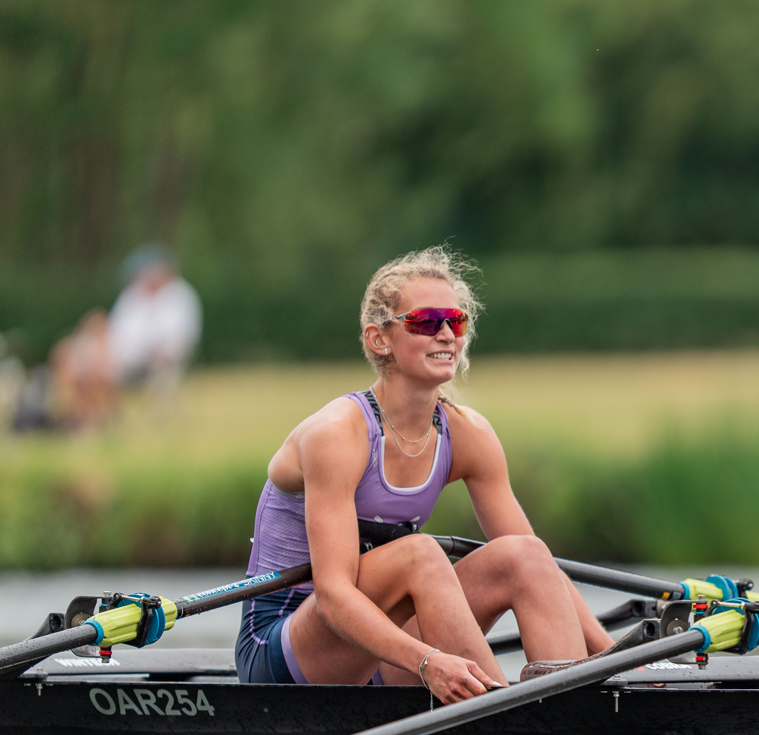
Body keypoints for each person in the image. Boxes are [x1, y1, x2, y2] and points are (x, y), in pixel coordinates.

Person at [234, 246, 613, 702]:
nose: (446, 334)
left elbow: (546, 572)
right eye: (425, 322)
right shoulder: (337, 435)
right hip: (285, 649)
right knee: (422, 556)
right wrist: (427, 661)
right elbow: (334, 596)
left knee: (526, 556)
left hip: (381, 649)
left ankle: (571, 703)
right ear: (379, 339)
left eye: (455, 321)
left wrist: (614, 657)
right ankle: (504, 714)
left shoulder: (468, 434)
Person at [33, 244, 203, 430]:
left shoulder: (179, 297)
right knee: (67, 351)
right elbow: (116, 327)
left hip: (146, 361)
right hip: (115, 350)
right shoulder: (134, 295)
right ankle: (75, 414)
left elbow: (177, 341)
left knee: (94, 362)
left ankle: (94, 417)